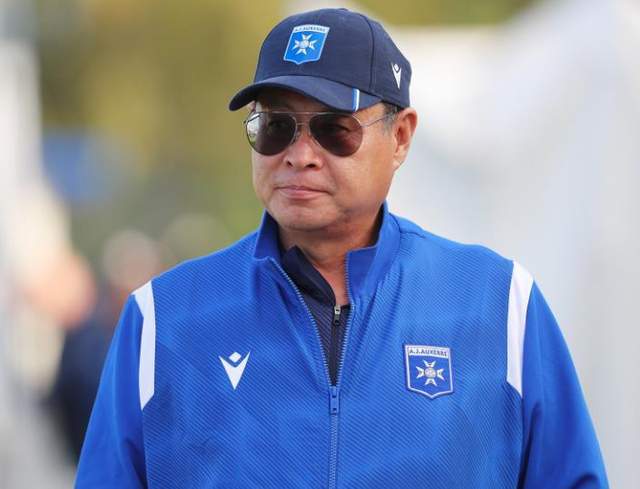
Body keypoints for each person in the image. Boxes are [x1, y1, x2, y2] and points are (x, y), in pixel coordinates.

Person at [76, 8, 608, 488]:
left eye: (334, 129)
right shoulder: (164, 318)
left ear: (401, 137)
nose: (300, 155)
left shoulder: (498, 304)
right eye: (276, 127)